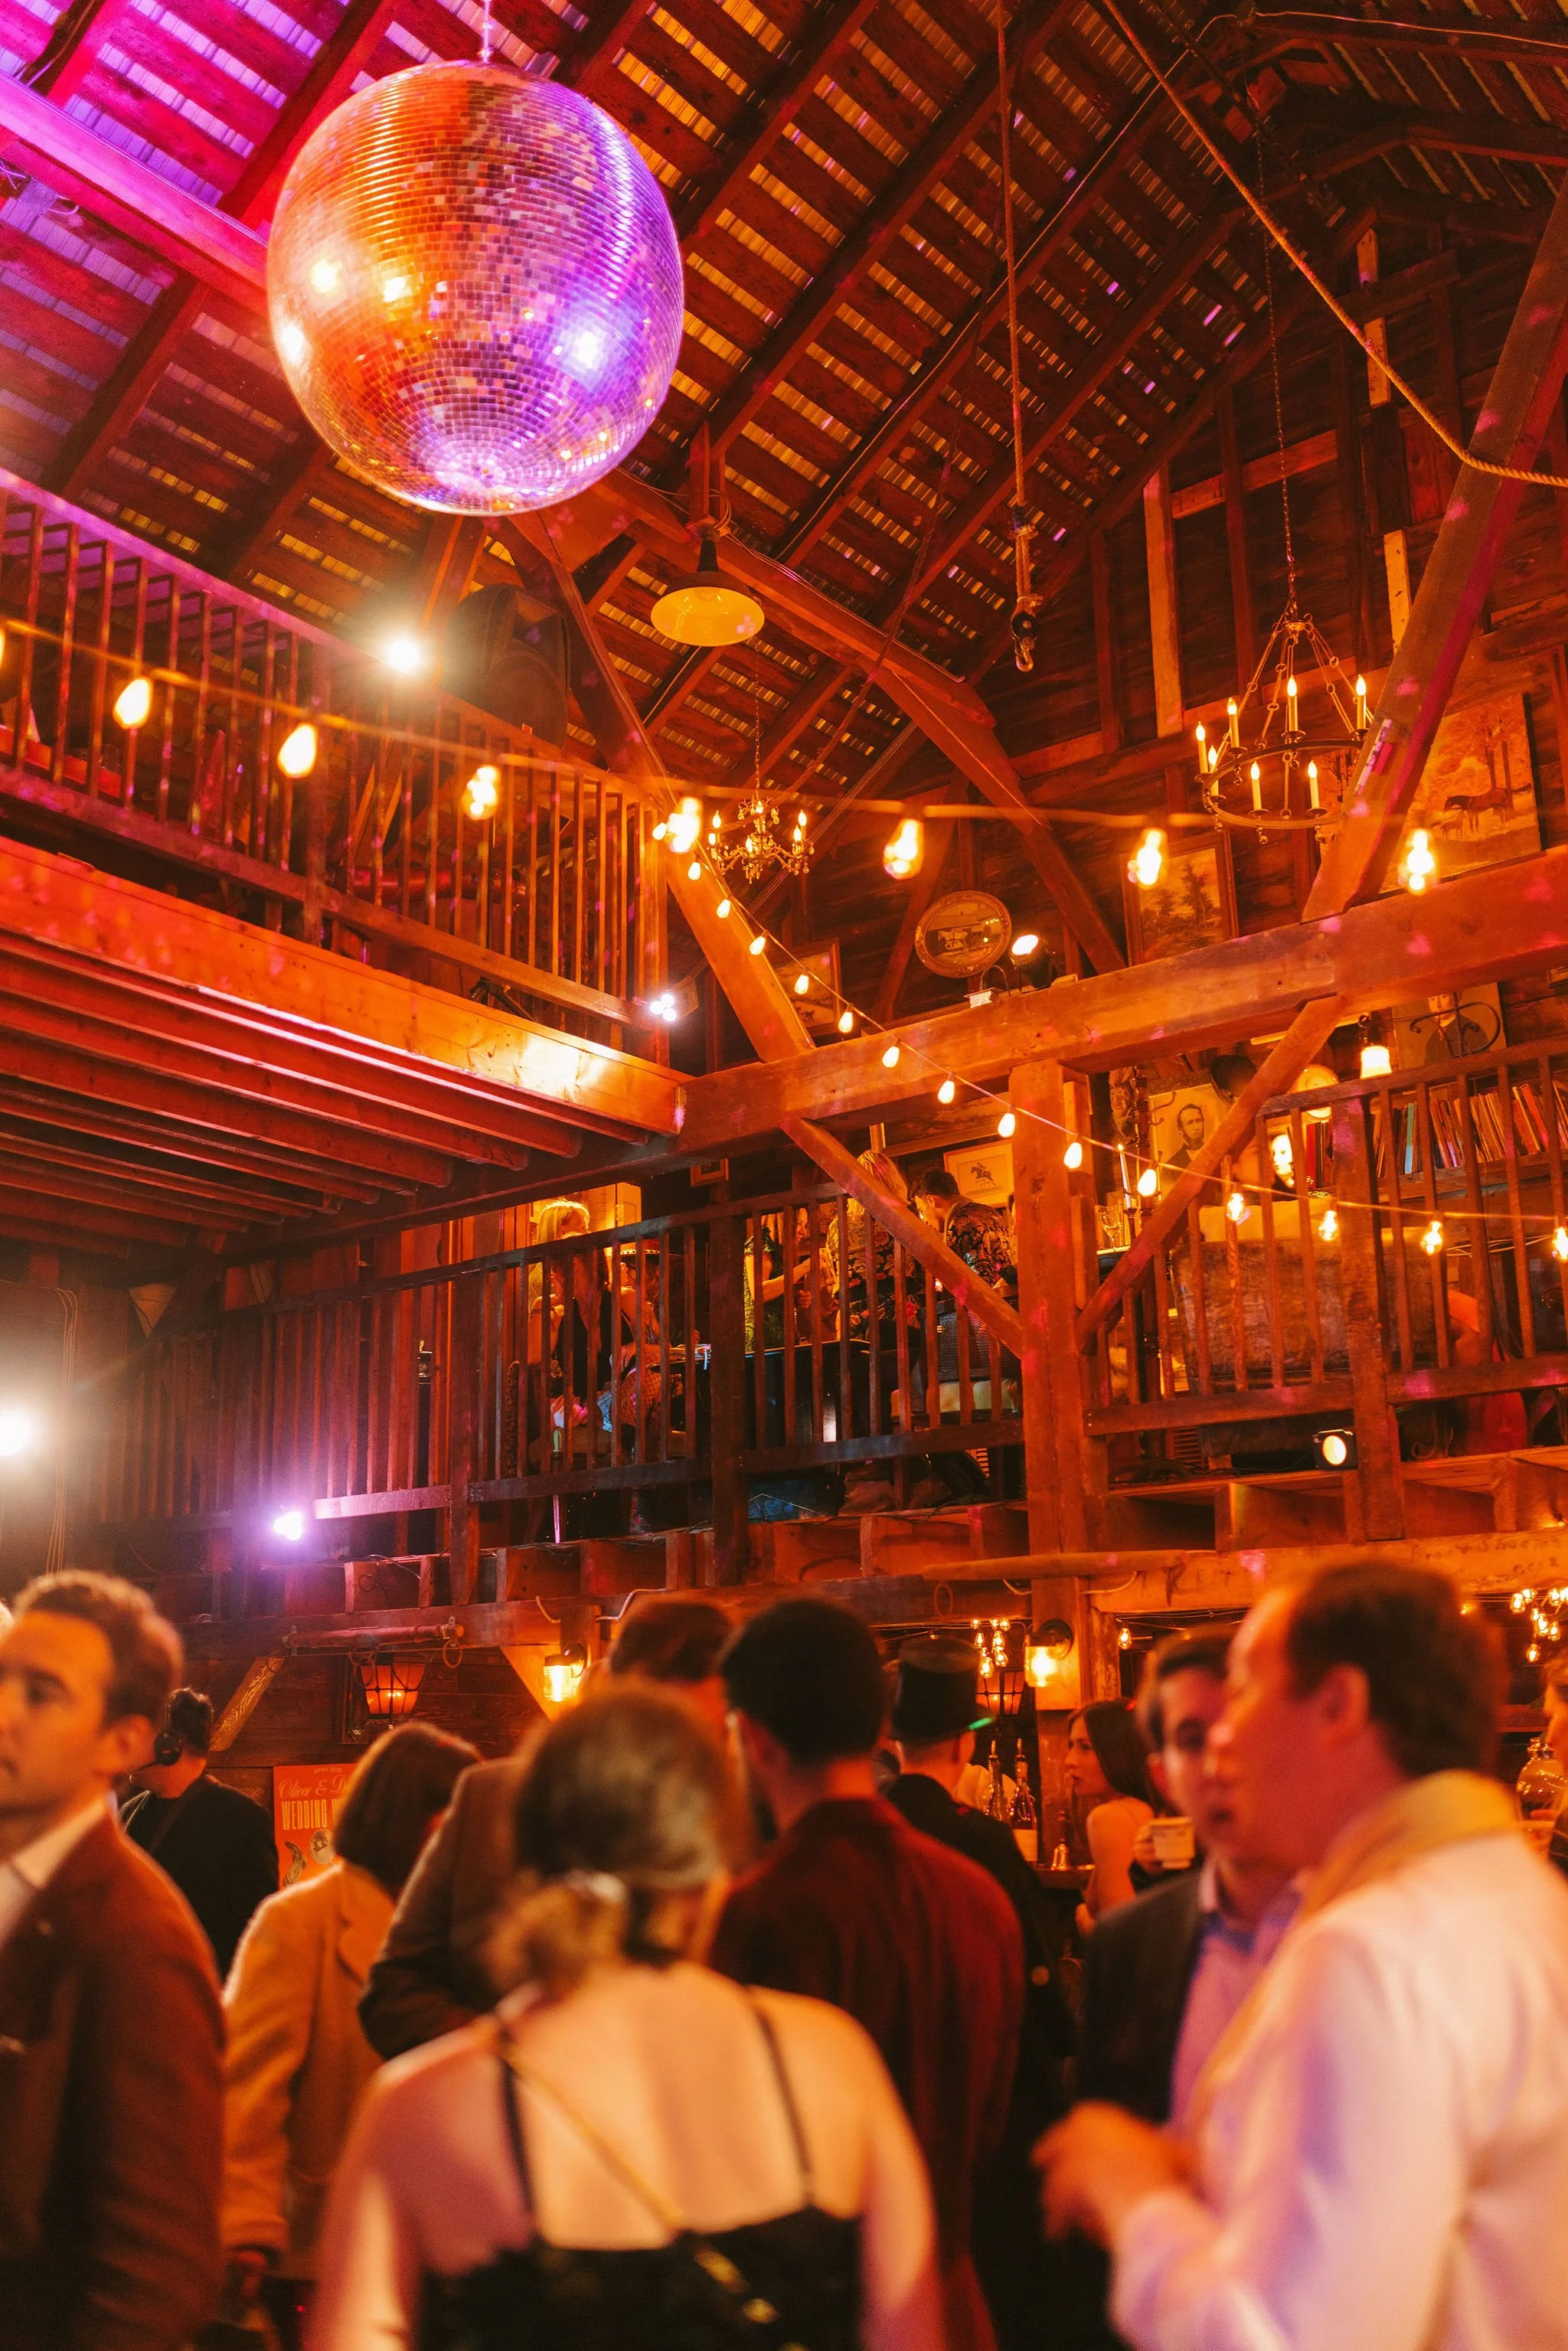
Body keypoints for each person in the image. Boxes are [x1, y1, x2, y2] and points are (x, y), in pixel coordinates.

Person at [313, 1684, 943, 2351]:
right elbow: (914, 2335)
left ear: (527, 1860)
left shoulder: (422, 2109)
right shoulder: (833, 2064)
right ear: (717, 1869)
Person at [1037, 1560, 1568, 2351]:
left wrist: (1133, 2194)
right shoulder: (1512, 1896)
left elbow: (1282, 2336)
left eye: (1246, 1689)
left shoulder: (1375, 1951)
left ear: (1336, 1705)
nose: (1219, 1738)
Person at [711, 1596, 1022, 2351]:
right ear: (880, 1728)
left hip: (814, 2317)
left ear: (753, 1738)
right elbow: (988, 2123)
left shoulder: (758, 1911)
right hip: (949, 2296)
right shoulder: (977, 1896)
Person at [0, 1571, 223, 2351]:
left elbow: (156, 2268)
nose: (1, 1710)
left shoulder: (138, 1940)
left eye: (42, 1692)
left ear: (123, 1741)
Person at [360, 1594, 731, 2058]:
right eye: (648, 1728)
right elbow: (394, 1992)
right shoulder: (487, 1798)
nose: (670, 1758)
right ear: (608, 1697)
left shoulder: (747, 1833)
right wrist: (520, 2056)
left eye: (699, 1735)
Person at [222, 1721, 480, 2349]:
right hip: (320, 2244)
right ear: (410, 1819)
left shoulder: (468, 1925)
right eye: (454, 1823)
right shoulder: (301, 1921)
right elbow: (246, 2091)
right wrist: (244, 2230)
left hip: (446, 2241)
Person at [886, 1635, 1071, 2351]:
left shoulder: (880, 1824)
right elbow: (1033, 1972)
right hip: (987, 2111)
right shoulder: (982, 1841)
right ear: (965, 1748)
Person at [1078, 1631, 1298, 2130]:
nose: (1222, 1764)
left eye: (1247, 1728)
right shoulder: (1127, 1946)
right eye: (1193, 1740)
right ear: (1163, 1777)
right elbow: (1102, 2148)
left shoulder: (1367, 1920)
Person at [121, 1683, 278, 1979]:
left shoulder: (242, 1819)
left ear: (168, 1746)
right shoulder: (130, 1814)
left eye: (141, 1734)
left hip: (206, 1995)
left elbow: (257, 1931)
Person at [1064, 1701, 1157, 1928]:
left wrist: (1085, 1919)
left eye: (1085, 1747)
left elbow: (1121, 1934)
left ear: (1118, 1752)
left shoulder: (1108, 1818)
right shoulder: (1149, 1808)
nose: (1070, 1762)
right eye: (1071, 1746)